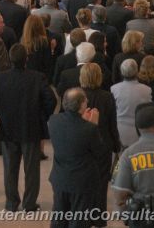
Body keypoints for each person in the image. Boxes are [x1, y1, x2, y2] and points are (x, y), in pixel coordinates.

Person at [0, 44, 56, 212]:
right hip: (31, 128)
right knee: (32, 170)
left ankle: (11, 203)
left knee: (10, 168)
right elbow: (51, 100)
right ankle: (29, 204)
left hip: (7, 129)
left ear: (9, 59)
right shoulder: (38, 77)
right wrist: (43, 116)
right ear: (26, 59)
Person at [48, 87, 104, 228]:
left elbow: (71, 134)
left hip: (60, 178)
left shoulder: (53, 121)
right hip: (82, 181)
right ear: (81, 104)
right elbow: (99, 152)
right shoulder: (89, 129)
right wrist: (93, 124)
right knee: (79, 220)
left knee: (59, 217)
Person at [79, 63, 120, 224]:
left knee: (83, 180)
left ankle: (84, 214)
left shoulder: (77, 95)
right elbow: (112, 124)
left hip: (82, 143)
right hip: (103, 143)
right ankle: (99, 216)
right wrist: (116, 145)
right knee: (102, 182)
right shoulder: (107, 96)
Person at [111, 59, 152, 148]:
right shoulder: (147, 90)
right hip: (140, 132)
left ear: (121, 72)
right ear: (137, 71)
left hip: (119, 132)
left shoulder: (114, 89)